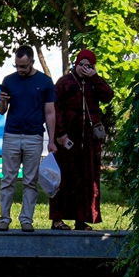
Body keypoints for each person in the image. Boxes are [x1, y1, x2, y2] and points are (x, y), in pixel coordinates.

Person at [50, 49, 114, 231]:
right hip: (68, 138)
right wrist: (60, 133)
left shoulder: (95, 82)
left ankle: (82, 219)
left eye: (88, 66)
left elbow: (108, 96)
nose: (84, 68)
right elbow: (55, 108)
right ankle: (57, 219)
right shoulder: (64, 82)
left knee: (86, 179)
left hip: (89, 141)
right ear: (76, 64)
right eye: (81, 65)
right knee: (63, 177)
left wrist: (95, 78)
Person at [0, 45, 57, 232]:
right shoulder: (9, 80)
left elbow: (50, 112)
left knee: (30, 180)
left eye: (23, 66)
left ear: (32, 62)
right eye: (17, 66)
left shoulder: (45, 82)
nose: (20, 70)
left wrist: (52, 140)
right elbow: (1, 111)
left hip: (34, 136)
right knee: (8, 179)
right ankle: (4, 219)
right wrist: (3, 100)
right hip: (12, 134)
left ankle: (26, 220)